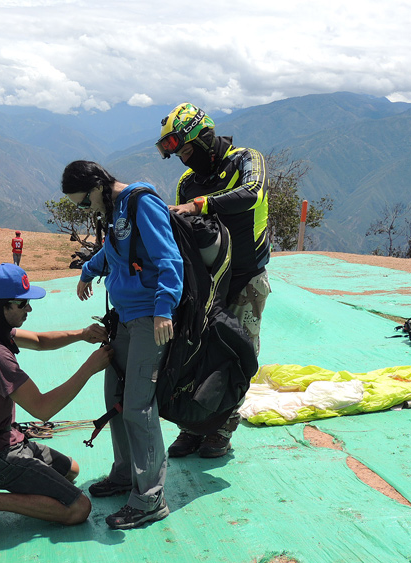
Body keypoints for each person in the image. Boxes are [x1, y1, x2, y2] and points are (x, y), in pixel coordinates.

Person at [0, 262, 113, 551]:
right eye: (22, 304)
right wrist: (89, 368)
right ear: (2, 306)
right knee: (78, 508)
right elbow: (42, 408)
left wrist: (81, 333)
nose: (29, 310)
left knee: (71, 471)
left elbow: (39, 341)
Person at [61, 160, 183, 530]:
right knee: (115, 395)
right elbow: (116, 252)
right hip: (125, 317)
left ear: (97, 186)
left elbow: (169, 258)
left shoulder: (141, 202)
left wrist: (165, 309)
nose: (86, 209)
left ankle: (149, 498)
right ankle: (125, 473)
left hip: (150, 320)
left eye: (84, 202)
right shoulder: (116, 211)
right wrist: (88, 270)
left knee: (138, 406)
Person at [155, 102, 272, 458]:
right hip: (206, 283)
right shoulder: (187, 182)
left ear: (204, 137)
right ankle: (193, 426)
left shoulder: (246, 159)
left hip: (247, 278)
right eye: (179, 154)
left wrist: (198, 205)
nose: (185, 160)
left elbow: (253, 192)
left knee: (238, 354)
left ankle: (222, 428)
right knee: (197, 354)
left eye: (188, 150)